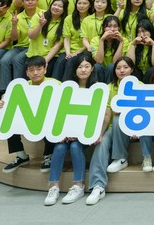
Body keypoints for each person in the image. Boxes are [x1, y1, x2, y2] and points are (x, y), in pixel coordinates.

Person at [44, 52, 98, 205]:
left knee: (75, 147)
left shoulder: (97, 89)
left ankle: (78, 186)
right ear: (74, 69)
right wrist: (64, 132)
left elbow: (96, 115)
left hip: (86, 132)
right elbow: (59, 112)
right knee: (60, 147)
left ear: (92, 68)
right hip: (66, 131)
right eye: (80, 67)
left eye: (86, 66)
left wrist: (78, 133)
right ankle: (53, 186)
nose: (83, 70)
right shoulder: (65, 87)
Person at [85, 56, 138, 205]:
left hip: (131, 129)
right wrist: (100, 134)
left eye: (125, 67)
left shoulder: (139, 86)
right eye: (118, 68)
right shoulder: (109, 88)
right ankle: (98, 186)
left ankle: (120, 157)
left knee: (119, 117)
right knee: (101, 145)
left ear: (132, 70)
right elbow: (107, 114)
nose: (122, 70)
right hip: (111, 128)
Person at [0, 55, 56, 173]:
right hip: (28, 119)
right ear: (27, 73)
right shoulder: (22, 86)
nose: (35, 73)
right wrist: (3, 102)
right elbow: (7, 97)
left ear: (45, 70)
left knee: (52, 123)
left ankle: (49, 157)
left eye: (39, 69)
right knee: (9, 122)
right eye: (31, 70)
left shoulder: (55, 84)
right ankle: (21, 156)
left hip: (46, 119)